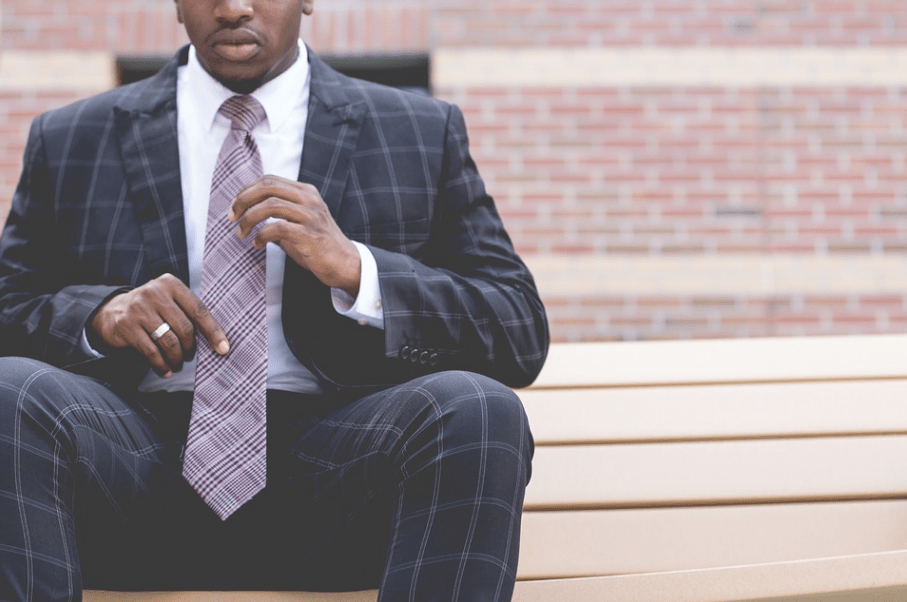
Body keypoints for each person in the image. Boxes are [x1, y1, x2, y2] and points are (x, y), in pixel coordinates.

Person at [0, 0, 548, 600]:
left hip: (340, 477)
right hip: (127, 471)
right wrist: (98, 317)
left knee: (477, 407)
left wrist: (357, 271)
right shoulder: (71, 137)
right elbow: (9, 306)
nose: (234, 7)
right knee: (11, 391)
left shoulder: (417, 129)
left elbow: (517, 328)